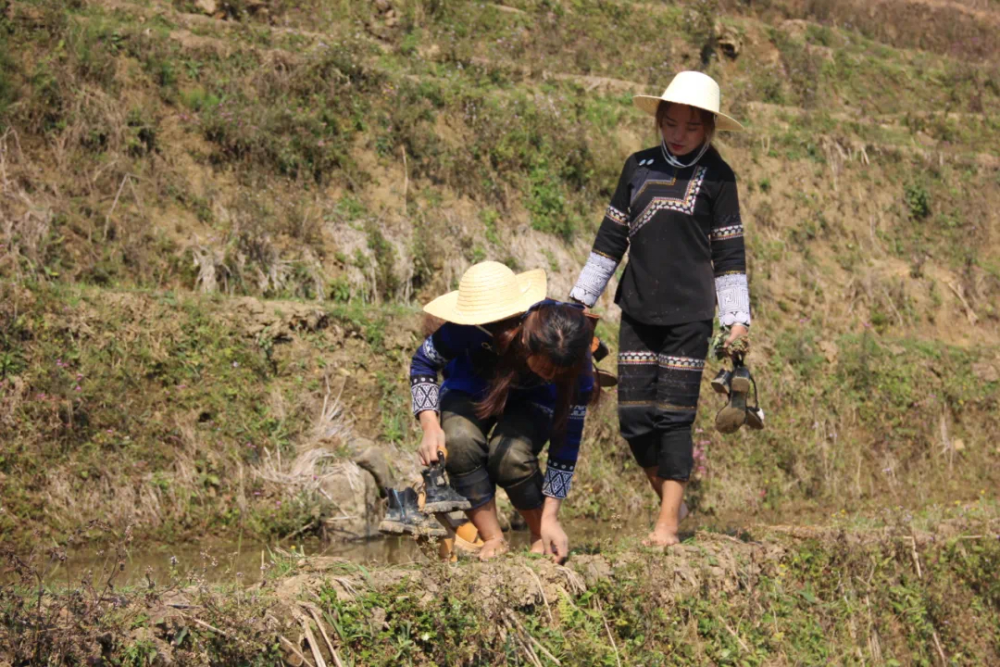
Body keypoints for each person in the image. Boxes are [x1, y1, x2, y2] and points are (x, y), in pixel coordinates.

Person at [568, 71, 751, 548]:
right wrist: (578, 304)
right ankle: (674, 500)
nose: (679, 135)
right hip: (639, 311)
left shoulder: (719, 178)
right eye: (671, 124)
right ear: (659, 120)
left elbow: (729, 255)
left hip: (690, 316)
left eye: (691, 127)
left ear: (708, 127)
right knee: (634, 421)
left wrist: (736, 320)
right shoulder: (638, 166)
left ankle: (667, 523)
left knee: (673, 417)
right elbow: (609, 243)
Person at [410, 261, 596, 562]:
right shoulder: (472, 327)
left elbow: (566, 445)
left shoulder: (574, 361)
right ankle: (492, 537)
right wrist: (430, 426)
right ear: (526, 342)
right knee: (458, 440)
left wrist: (551, 516)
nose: (548, 373)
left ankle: (541, 534)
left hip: (534, 399)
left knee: (510, 456)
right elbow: (423, 363)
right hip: (470, 388)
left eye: (553, 371)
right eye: (544, 367)